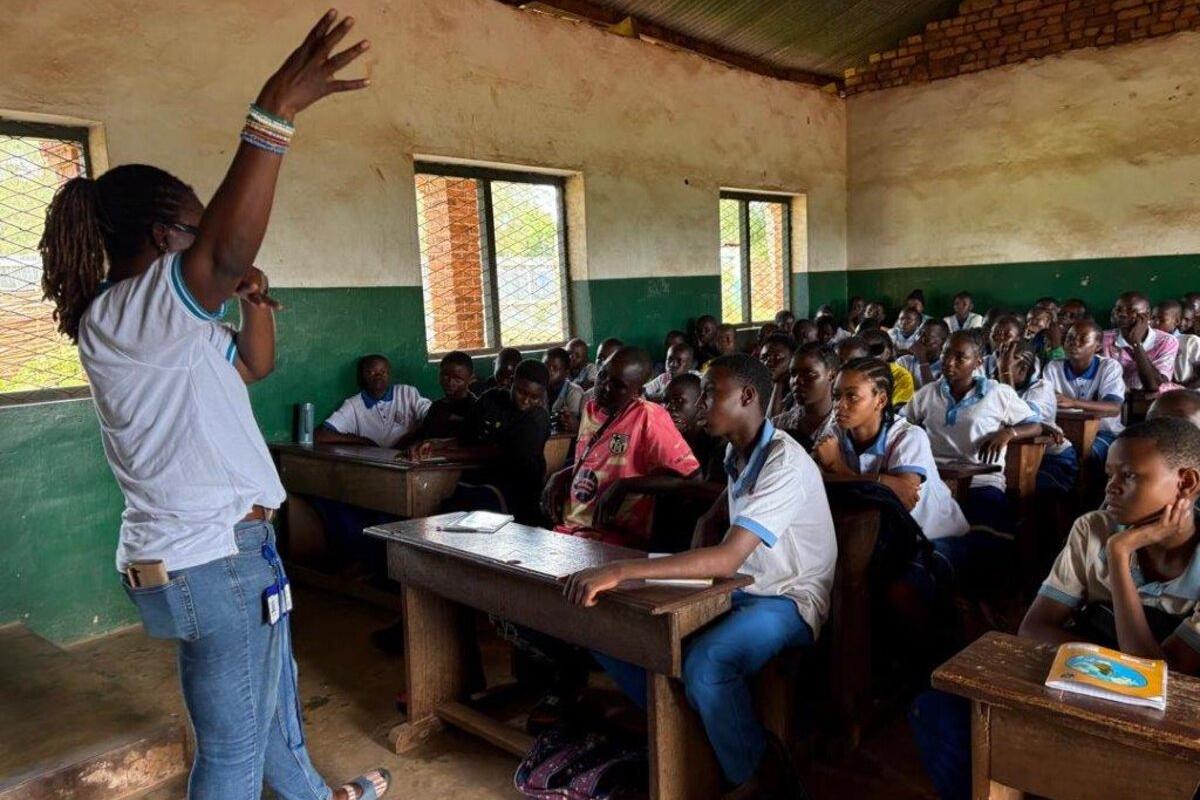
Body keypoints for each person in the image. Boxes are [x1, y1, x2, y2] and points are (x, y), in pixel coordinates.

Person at [40, 12, 388, 799]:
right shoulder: (129, 313)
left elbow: (255, 366)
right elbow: (222, 253)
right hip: (213, 559)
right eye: (194, 232)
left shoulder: (169, 331)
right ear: (164, 238)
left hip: (230, 557)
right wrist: (274, 114)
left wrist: (253, 297)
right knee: (229, 756)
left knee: (271, 718)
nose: (210, 251)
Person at [565, 354, 836, 798]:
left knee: (708, 663)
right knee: (612, 626)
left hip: (788, 598)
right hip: (741, 587)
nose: (703, 402)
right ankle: (691, 733)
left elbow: (727, 559)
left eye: (712, 394)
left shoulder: (784, 462)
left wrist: (623, 568)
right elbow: (726, 530)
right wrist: (709, 517)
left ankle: (758, 776)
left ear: (747, 397)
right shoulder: (736, 451)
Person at [911, 421, 1200, 800]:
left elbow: (1162, 684)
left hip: (1158, 730)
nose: (1111, 487)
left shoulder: (1111, 542)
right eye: (1109, 474)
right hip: (1076, 694)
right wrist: (1108, 666)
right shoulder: (1093, 529)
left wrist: (1119, 554)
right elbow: (1033, 629)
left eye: (1129, 476)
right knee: (937, 713)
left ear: (1186, 483)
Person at [542, 346, 700, 547]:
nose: (605, 387)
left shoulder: (648, 417)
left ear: (638, 392)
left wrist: (626, 485)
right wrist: (562, 475)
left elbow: (691, 477)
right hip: (572, 526)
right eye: (603, 375)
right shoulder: (591, 408)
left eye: (618, 385)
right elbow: (594, 460)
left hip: (614, 536)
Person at [812, 357, 969, 547]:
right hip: (879, 534)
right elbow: (812, 482)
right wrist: (882, 483)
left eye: (852, 396)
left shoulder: (908, 436)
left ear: (881, 400)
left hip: (935, 536)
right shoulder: (835, 431)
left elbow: (904, 498)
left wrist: (837, 467)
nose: (839, 404)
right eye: (836, 396)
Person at [904, 331, 1040, 535]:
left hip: (981, 479)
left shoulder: (997, 393)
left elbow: (1035, 425)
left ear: (977, 362)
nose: (950, 362)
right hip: (935, 479)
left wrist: (1007, 433)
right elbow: (905, 425)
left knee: (983, 530)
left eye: (960, 357)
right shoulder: (928, 393)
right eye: (946, 354)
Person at [412, 359, 551, 526]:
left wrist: (441, 453)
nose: (526, 401)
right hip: (479, 483)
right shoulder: (492, 398)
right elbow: (465, 437)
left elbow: (495, 453)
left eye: (534, 397)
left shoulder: (537, 418)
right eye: (521, 392)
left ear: (542, 394)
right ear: (512, 381)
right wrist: (434, 444)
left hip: (516, 493)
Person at [1039, 320, 1126, 491]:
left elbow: (1113, 407)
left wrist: (1073, 402)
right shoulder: (1053, 368)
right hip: (1063, 432)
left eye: (1083, 339)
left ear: (1098, 345)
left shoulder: (1109, 367)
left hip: (1104, 432)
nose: (1074, 342)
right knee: (1046, 455)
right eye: (1070, 337)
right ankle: (1062, 496)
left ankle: (1085, 500)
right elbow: (1047, 405)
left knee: (1088, 455)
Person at [316, 354, 431, 447]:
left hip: (408, 457)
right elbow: (320, 435)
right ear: (362, 376)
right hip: (375, 463)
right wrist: (362, 441)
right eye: (371, 372)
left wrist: (416, 435)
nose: (378, 376)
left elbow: (433, 415)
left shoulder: (407, 393)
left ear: (389, 375)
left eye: (383, 372)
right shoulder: (353, 405)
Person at [1103, 291, 1179, 393]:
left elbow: (1154, 386)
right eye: (1118, 310)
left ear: (1147, 315)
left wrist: (1136, 344)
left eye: (1131, 310)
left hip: (1150, 403)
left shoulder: (1166, 341)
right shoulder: (1103, 339)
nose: (1122, 314)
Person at [772, 342, 838, 451]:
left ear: (831, 376)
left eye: (809, 373)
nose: (797, 381)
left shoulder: (843, 428)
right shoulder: (779, 425)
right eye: (793, 374)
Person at [664, 373, 724, 482]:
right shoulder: (664, 432)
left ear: (700, 403)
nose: (669, 408)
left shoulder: (717, 445)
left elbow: (712, 490)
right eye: (666, 402)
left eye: (679, 401)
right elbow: (621, 460)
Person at [410, 350, 476, 442]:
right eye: (445, 376)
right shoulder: (437, 406)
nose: (450, 383)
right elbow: (424, 433)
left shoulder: (476, 408)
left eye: (457, 379)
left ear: (471, 379)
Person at [1152, 300, 1200, 387]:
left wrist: (1181, 389)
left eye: (1162, 320)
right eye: (1153, 318)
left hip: (1189, 394)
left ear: (1176, 321)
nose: (1156, 323)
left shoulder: (1191, 341)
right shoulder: (1149, 341)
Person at [862, 328, 915, 407]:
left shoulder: (902, 377)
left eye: (876, 350)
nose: (870, 355)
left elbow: (892, 410)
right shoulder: (853, 370)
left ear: (888, 352)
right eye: (865, 350)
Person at [898, 319, 950, 390]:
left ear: (943, 342)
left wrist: (922, 359)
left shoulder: (946, 369)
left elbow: (932, 394)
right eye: (919, 334)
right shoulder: (905, 361)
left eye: (928, 337)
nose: (919, 340)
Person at [543, 346, 585, 433]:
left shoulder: (574, 392)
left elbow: (573, 427)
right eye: (545, 366)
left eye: (555, 368)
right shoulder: (539, 388)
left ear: (566, 372)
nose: (548, 372)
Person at [757, 331, 797, 418]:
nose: (768, 362)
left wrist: (778, 384)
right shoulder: (758, 388)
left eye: (777, 357)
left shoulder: (797, 391)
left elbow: (773, 423)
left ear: (793, 359)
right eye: (764, 358)